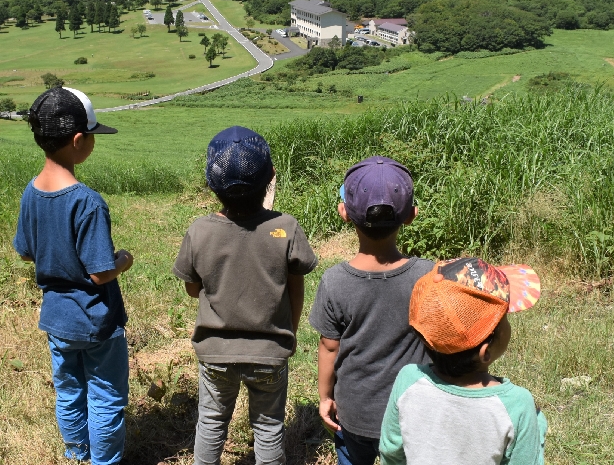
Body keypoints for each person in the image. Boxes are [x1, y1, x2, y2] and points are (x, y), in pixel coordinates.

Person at [173, 126, 318, 465]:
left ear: (211, 184)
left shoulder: (200, 230)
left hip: (215, 354)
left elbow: (193, 289)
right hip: (270, 352)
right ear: (271, 179)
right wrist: (290, 333)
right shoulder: (287, 227)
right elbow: (295, 288)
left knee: (210, 423)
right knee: (268, 428)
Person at [13, 86, 134, 465]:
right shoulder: (87, 201)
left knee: (68, 392)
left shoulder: (31, 192)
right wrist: (124, 261)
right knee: (106, 394)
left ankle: (77, 453)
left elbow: (25, 251)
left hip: (57, 319)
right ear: (78, 140)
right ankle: (104, 461)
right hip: (96, 321)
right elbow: (100, 274)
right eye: (93, 136)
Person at [308, 156, 433, 465]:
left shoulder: (335, 281)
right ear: (411, 216)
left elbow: (329, 346)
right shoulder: (429, 277)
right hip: (412, 413)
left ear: (344, 213)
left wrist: (326, 397)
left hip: (355, 413)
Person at [380, 257, 547, 465]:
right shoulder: (518, 404)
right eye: (504, 318)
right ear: (485, 352)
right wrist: (536, 426)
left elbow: (390, 452)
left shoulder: (408, 380)